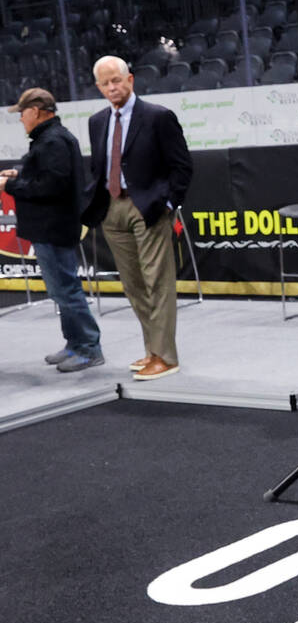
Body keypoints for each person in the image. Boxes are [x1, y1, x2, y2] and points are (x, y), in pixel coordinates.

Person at [83, 55, 192, 380]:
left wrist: (169, 203)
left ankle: (166, 357)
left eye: (116, 80)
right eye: (105, 83)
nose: (112, 87)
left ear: (130, 79)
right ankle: (152, 351)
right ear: (99, 87)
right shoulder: (97, 121)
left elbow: (182, 166)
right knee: (133, 285)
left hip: (149, 207)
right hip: (112, 208)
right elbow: (99, 166)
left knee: (156, 282)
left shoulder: (158, 117)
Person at [0, 88, 103, 373]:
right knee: (61, 291)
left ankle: (89, 348)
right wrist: (20, 174)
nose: (20, 119)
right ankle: (75, 343)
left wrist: (10, 186)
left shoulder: (53, 141)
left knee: (66, 290)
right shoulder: (50, 139)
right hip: (51, 227)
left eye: (22, 113)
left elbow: (51, 186)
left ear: (36, 110)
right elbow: (48, 176)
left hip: (54, 227)